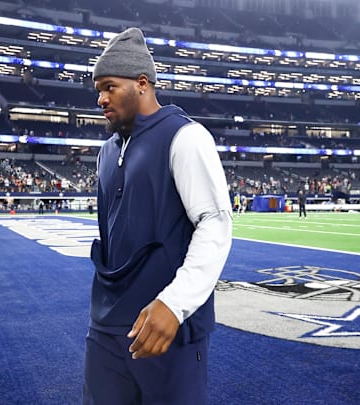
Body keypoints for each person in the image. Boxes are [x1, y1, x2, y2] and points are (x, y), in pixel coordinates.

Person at [84, 27, 233, 404]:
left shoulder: (185, 136)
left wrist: (174, 304)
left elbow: (214, 224)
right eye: (97, 90)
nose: (101, 98)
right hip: (106, 328)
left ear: (142, 83)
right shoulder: (105, 153)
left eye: (109, 87)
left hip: (168, 327)